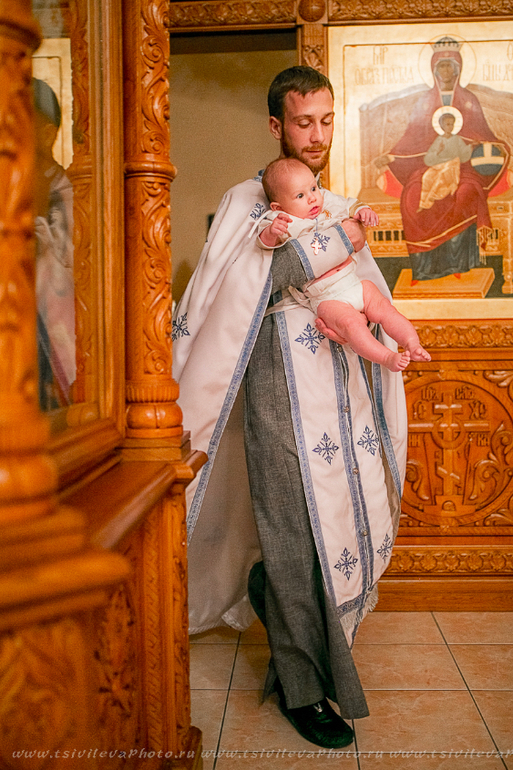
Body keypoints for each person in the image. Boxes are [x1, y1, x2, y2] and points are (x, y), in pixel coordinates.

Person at [173, 66, 407, 749]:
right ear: (276, 125)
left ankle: (273, 596)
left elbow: (363, 295)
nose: (317, 135)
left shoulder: (338, 203)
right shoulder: (247, 202)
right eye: (303, 122)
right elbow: (248, 286)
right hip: (276, 389)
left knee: (334, 531)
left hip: (340, 396)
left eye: (326, 121)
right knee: (294, 532)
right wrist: (337, 243)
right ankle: (302, 688)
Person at [257, 157, 431, 372]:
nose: (312, 198)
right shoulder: (281, 221)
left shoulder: (326, 205)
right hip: (327, 298)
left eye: (313, 188)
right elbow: (263, 248)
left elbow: (349, 204)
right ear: (278, 207)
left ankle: (413, 344)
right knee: (352, 326)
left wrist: (362, 210)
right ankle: (386, 358)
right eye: (300, 196)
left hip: (354, 283)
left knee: (386, 309)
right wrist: (270, 233)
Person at [375, 37, 509, 284]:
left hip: (465, 168)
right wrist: (392, 155)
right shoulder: (424, 101)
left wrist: (488, 146)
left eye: (450, 66)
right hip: (428, 168)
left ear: (458, 68)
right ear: (434, 69)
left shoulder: (469, 100)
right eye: (442, 66)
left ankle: (459, 263)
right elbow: (411, 139)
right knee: (412, 195)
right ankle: (424, 268)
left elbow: (483, 134)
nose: (446, 71)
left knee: (466, 192)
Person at [33, 78, 76, 410]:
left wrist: (46, 251)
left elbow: (78, 270)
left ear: (48, 134)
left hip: (51, 329)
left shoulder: (66, 193)